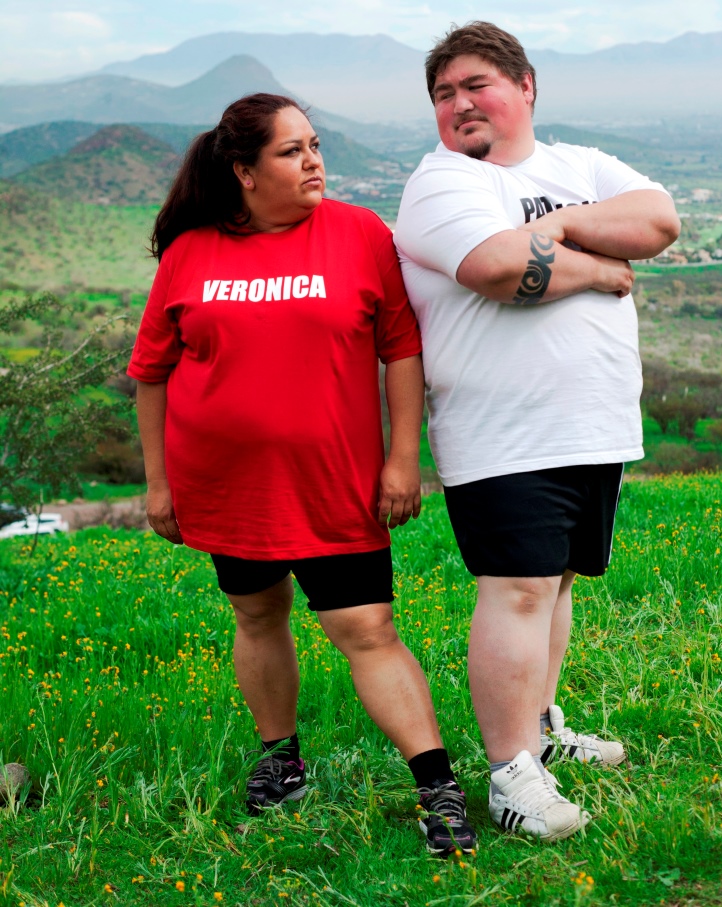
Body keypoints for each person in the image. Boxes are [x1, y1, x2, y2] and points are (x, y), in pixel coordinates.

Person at [127, 93, 476, 857]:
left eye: (314, 144)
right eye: (292, 151)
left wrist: (403, 457)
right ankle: (280, 760)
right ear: (244, 171)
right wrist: (159, 483)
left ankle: (437, 786)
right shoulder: (191, 251)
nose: (314, 160)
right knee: (257, 614)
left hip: (334, 482)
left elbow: (400, 347)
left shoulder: (358, 232)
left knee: (367, 628)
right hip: (226, 483)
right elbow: (151, 370)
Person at [394, 23, 680, 841]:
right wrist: (598, 265)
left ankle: (542, 728)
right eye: (443, 93)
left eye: (475, 84)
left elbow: (659, 220)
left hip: (591, 424)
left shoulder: (577, 165)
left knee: (556, 584)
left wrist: (558, 224)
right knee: (517, 589)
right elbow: (496, 268)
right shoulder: (442, 182)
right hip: (504, 431)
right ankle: (512, 773)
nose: (459, 103)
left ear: (525, 86)